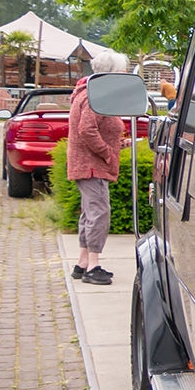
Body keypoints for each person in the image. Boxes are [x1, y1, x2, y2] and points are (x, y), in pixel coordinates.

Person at [67, 51, 130, 285]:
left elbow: (93, 130)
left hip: (88, 164)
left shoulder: (89, 92)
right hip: (92, 166)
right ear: (111, 73)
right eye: (122, 71)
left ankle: (82, 263)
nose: (124, 76)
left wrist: (119, 144)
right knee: (99, 213)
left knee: (90, 213)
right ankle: (93, 265)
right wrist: (108, 154)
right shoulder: (95, 96)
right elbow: (87, 130)